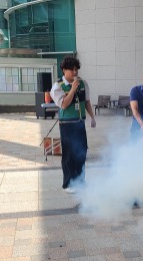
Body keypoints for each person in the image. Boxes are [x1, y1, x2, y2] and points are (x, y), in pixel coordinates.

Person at [49, 56, 96, 192]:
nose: (75, 73)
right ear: (64, 70)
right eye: (72, 70)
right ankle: (68, 184)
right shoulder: (57, 86)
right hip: (67, 124)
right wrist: (72, 89)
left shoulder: (83, 84)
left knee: (81, 152)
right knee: (69, 154)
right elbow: (64, 104)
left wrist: (92, 117)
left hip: (80, 122)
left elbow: (86, 101)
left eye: (76, 70)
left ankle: (80, 181)